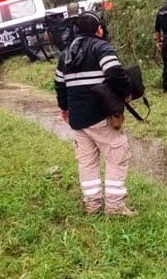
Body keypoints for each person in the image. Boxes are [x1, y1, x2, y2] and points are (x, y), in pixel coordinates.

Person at [54, 12, 134, 216]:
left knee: (87, 163)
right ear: (98, 29)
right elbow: (115, 73)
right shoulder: (101, 47)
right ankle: (115, 206)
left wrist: (65, 108)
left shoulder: (65, 55)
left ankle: (93, 205)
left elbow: (59, 85)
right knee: (117, 154)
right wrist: (126, 93)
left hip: (78, 119)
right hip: (100, 115)